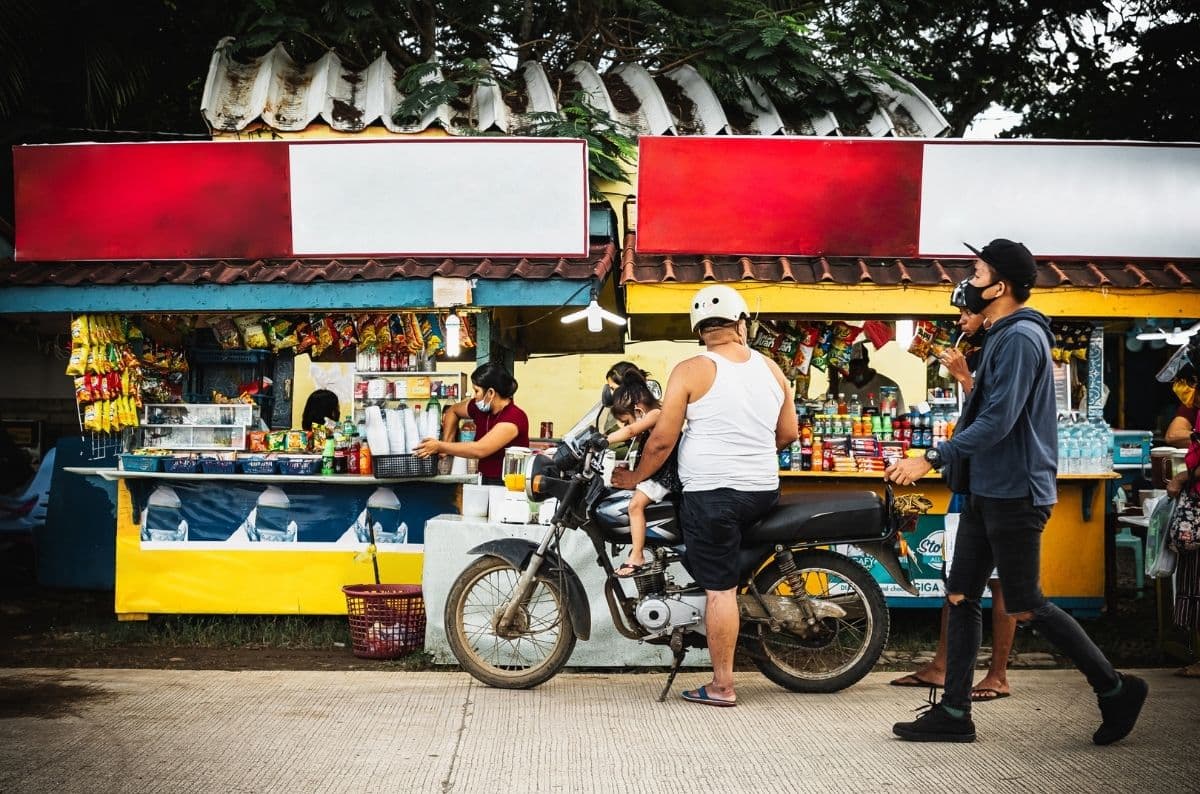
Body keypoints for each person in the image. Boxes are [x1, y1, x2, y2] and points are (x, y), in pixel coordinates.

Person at [887, 238, 1147, 745]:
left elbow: (999, 421)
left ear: (1000, 287)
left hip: (1016, 493)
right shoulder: (1001, 336)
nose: (969, 282)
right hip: (987, 489)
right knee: (960, 595)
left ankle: (1116, 689)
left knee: (1026, 604)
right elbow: (988, 412)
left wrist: (933, 457)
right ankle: (954, 713)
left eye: (977, 273)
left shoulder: (1022, 338)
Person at [612, 284, 798, 707]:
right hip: (762, 492)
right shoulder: (772, 369)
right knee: (720, 571)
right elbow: (787, 433)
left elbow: (662, 440)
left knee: (720, 589)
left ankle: (722, 686)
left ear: (699, 331)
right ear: (741, 324)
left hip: (713, 495)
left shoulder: (691, 369)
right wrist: (750, 454)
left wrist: (635, 477)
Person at [890, 285, 1017, 702]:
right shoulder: (984, 348)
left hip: (1001, 485)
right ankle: (943, 667)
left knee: (1003, 584)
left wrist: (964, 378)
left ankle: (997, 674)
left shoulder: (1013, 345)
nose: (961, 320)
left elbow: (996, 418)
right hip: (970, 483)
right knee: (957, 582)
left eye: (966, 312)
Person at [606, 373, 677, 577]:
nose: (625, 426)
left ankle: (637, 555)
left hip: (664, 475)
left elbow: (630, 431)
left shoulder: (656, 414)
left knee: (634, 506)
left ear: (638, 411)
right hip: (659, 472)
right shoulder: (654, 415)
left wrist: (603, 439)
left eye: (626, 421)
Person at [414, 362, 529, 486]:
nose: (475, 396)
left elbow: (480, 449)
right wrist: (447, 440)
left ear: (490, 393)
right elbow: (453, 411)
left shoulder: (514, 417)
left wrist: (440, 446)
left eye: (476, 391)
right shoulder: (480, 408)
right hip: (483, 478)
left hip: (508, 484)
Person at [844, 344, 906, 413]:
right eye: (851, 364)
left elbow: (901, 416)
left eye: (859, 363)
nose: (856, 368)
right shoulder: (840, 385)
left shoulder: (889, 387)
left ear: (867, 361)